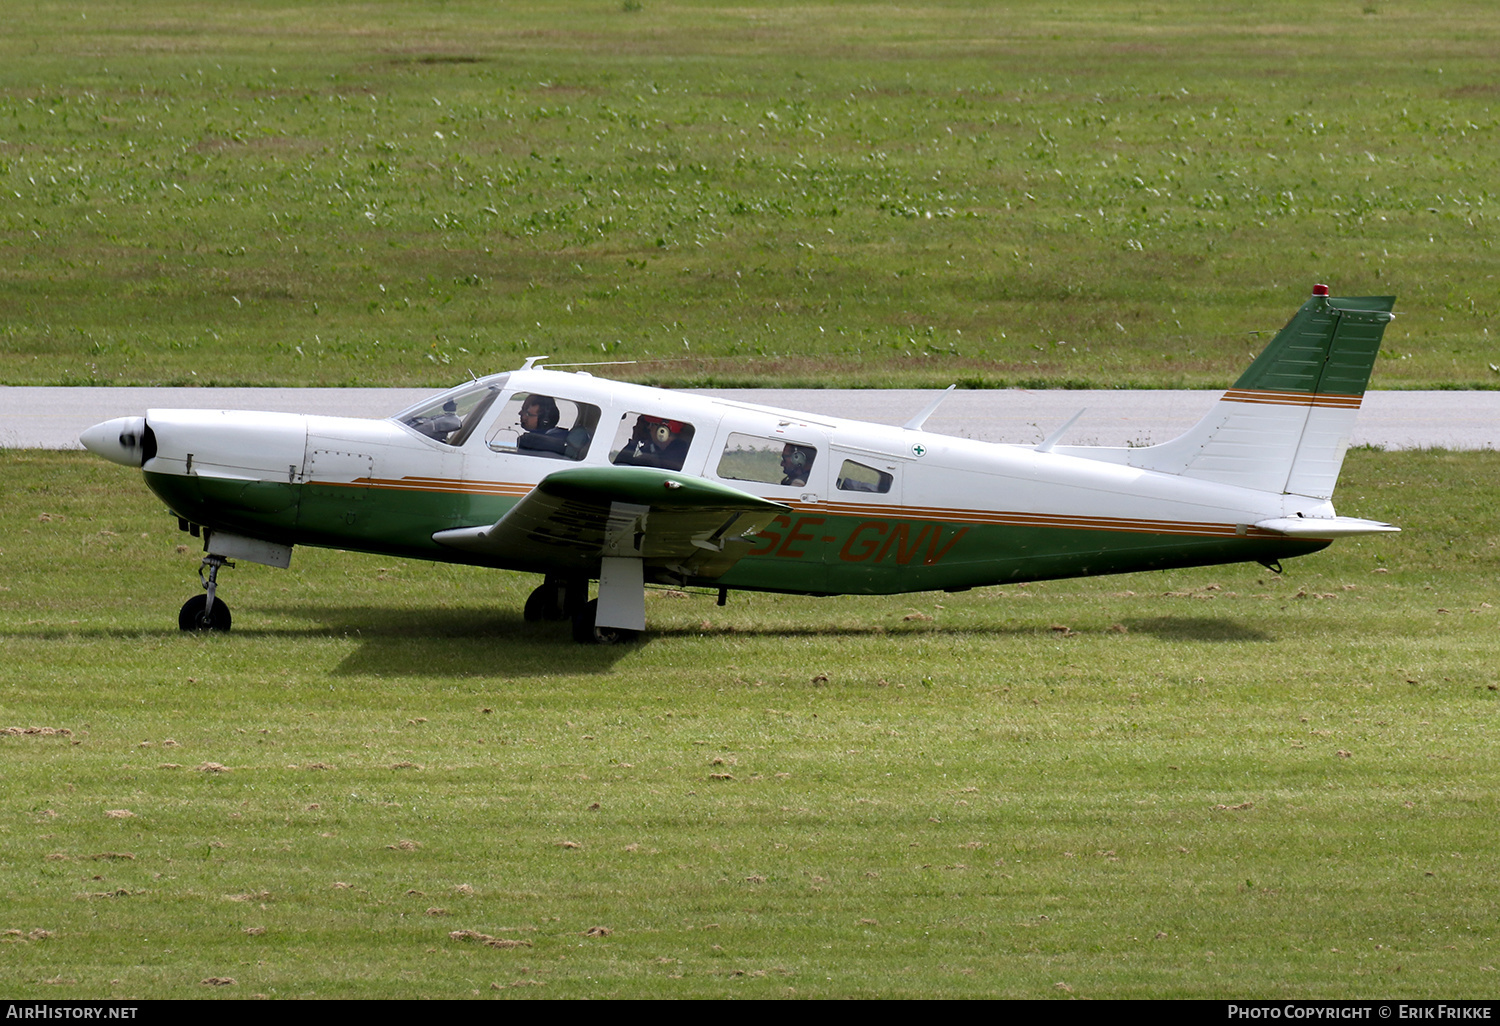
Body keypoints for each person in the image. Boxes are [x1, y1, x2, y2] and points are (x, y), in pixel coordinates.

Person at [615, 415, 692, 471]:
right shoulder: (652, 449)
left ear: (662, 431)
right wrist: (634, 442)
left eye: (650, 424)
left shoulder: (676, 453)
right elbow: (619, 466)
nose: (648, 428)